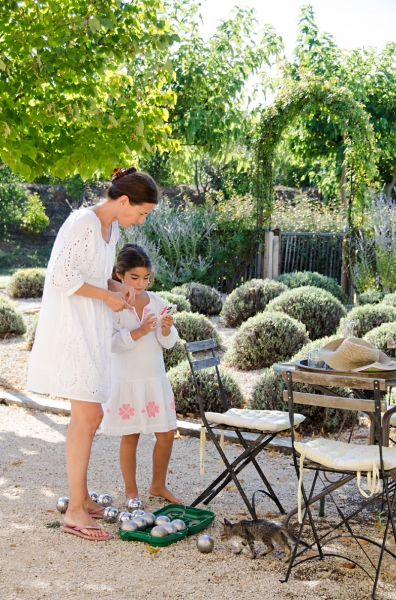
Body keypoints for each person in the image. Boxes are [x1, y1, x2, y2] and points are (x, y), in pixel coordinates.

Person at [27, 167, 158, 540]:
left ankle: (80, 496)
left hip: (92, 325)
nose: (141, 219)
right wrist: (107, 296)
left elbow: (95, 273)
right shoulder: (82, 221)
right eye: (141, 212)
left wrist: (118, 286)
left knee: (89, 413)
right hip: (73, 326)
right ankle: (74, 511)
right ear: (122, 201)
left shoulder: (111, 228)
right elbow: (62, 276)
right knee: (88, 414)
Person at [101, 244, 183, 505]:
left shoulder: (155, 301)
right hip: (127, 380)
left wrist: (167, 329)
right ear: (119, 275)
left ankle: (158, 485)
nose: (140, 284)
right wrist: (138, 331)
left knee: (167, 433)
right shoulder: (113, 304)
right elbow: (110, 343)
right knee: (131, 435)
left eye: (145, 278)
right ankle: (131, 492)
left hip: (154, 379)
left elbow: (167, 342)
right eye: (134, 278)